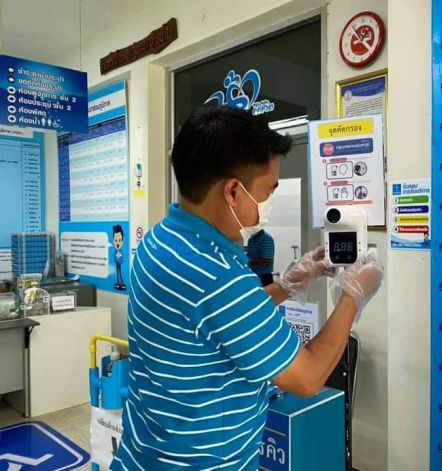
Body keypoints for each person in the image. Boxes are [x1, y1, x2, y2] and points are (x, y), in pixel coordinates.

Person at [111, 106, 384, 471]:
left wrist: (287, 285)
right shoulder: (218, 275)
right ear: (233, 192)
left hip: (143, 455)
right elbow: (307, 378)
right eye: (268, 192)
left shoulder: (161, 240)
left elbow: (219, 319)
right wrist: (353, 294)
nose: (267, 207)